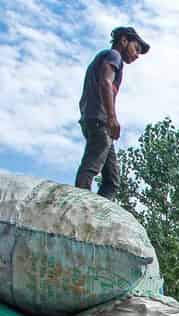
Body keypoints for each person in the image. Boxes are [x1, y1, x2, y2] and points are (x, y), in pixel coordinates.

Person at [75, 26, 150, 199]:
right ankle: (78, 204)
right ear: (124, 41)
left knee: (112, 180)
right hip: (100, 121)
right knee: (91, 167)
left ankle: (97, 215)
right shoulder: (113, 56)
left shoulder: (102, 58)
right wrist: (111, 117)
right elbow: (105, 83)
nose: (137, 55)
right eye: (136, 49)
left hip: (95, 121)